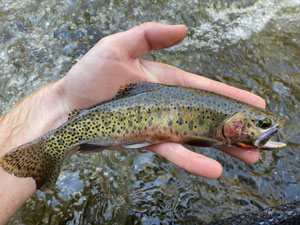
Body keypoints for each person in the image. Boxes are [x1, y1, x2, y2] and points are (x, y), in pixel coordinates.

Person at [0, 23, 265, 223]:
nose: (264, 129)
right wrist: (63, 101)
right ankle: (51, 148)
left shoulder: (221, 115)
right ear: (240, 123)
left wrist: (62, 102)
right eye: (261, 124)